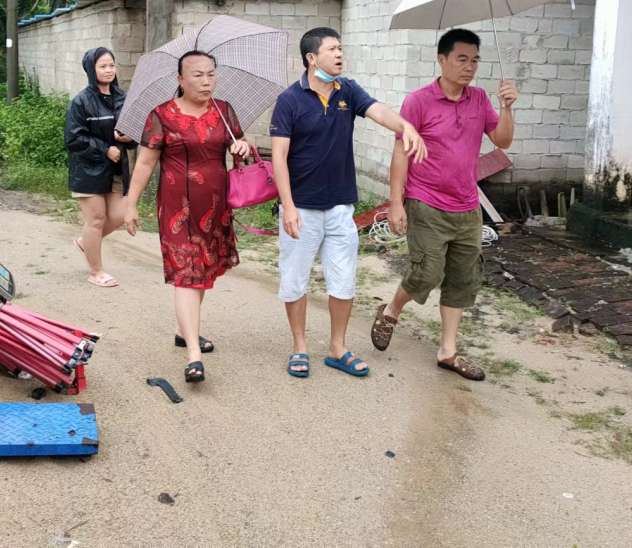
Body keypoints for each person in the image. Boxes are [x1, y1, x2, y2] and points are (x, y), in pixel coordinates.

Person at [270, 28, 426, 379]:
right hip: (301, 207)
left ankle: (337, 348)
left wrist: (406, 127)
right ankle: (299, 347)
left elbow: (379, 112)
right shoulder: (290, 100)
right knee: (294, 280)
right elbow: (278, 157)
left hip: (341, 206)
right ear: (312, 58)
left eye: (341, 48)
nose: (340, 54)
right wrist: (288, 206)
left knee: (343, 281)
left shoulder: (348, 90)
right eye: (332, 49)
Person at [370, 28, 517, 381]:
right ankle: (392, 310)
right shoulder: (419, 101)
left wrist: (506, 108)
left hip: (467, 205)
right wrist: (396, 203)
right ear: (441, 59)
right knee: (427, 272)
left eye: (475, 60)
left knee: (464, 278)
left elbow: (503, 140)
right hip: (426, 201)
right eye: (462, 59)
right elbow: (401, 153)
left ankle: (448, 351)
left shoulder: (479, 99)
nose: (470, 67)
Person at [124, 51, 251, 384]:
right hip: (177, 208)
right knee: (187, 273)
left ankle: (184, 332)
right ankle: (194, 354)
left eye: (211, 74)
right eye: (197, 75)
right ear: (180, 79)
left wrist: (242, 147)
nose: (206, 81)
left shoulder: (224, 111)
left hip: (216, 207)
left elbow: (238, 142)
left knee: (203, 270)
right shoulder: (162, 115)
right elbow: (145, 163)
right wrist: (130, 203)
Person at [65, 48, 136, 288]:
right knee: (96, 219)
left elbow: (134, 134)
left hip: (116, 168)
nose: (108, 70)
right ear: (91, 69)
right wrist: (105, 149)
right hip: (88, 169)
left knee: (119, 216)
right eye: (102, 66)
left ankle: (85, 242)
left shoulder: (123, 98)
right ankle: (96, 271)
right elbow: (73, 139)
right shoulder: (81, 101)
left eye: (111, 65)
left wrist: (129, 139)